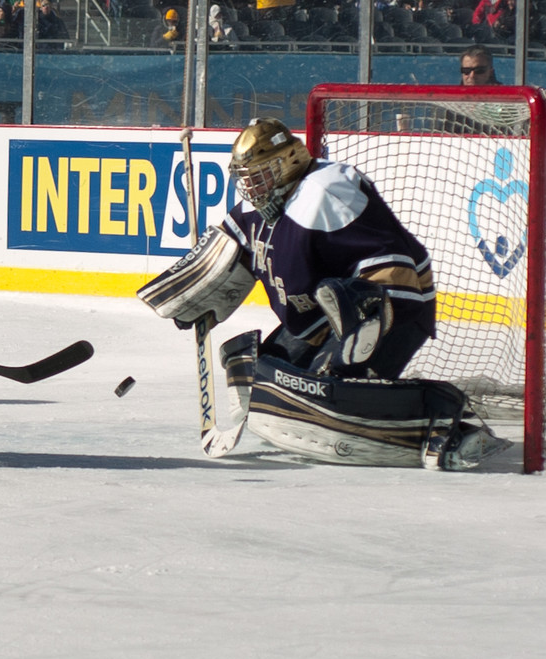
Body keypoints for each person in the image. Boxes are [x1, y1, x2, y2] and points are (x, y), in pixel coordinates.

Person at [140, 118, 507, 469]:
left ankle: (449, 425)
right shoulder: (261, 203)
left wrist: (368, 315)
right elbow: (231, 251)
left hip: (392, 311)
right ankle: (335, 377)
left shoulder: (326, 191)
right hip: (316, 318)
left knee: (329, 391)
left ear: (289, 162)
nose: (252, 188)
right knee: (265, 376)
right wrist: (197, 289)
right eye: (246, 180)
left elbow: (396, 268)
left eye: (260, 176)